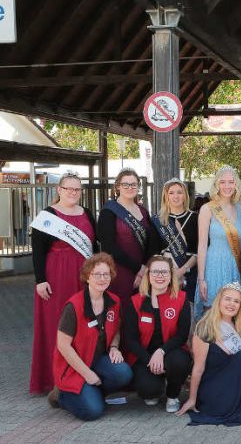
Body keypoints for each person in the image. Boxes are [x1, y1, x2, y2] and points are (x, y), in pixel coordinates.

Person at [30, 172, 97, 395]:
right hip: (56, 275)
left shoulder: (87, 213)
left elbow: (94, 246)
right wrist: (40, 280)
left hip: (84, 275)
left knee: (83, 323)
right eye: (69, 189)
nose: (73, 193)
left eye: (77, 189)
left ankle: (80, 373)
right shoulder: (47, 216)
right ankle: (53, 378)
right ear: (59, 190)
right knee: (56, 324)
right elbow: (38, 252)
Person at [49, 253, 133, 421]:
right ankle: (60, 396)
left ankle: (92, 392)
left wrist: (115, 347)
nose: (102, 278)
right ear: (87, 277)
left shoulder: (114, 301)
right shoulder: (74, 306)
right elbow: (63, 346)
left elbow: (116, 327)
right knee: (93, 412)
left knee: (124, 373)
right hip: (74, 366)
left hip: (97, 360)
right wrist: (87, 374)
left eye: (106, 274)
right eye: (97, 274)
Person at [176, 283, 241, 426]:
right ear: (219, 300)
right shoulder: (205, 327)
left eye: (236, 301)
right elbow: (198, 368)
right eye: (228, 299)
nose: (232, 304)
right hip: (214, 389)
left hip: (235, 387)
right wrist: (192, 399)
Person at [123, 256, 192, 412]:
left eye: (164, 272)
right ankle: (156, 385)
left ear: (171, 276)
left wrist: (161, 352)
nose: (159, 276)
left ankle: (173, 395)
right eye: (155, 272)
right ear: (148, 275)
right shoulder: (136, 301)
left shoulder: (181, 299)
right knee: (148, 390)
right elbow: (131, 340)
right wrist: (150, 360)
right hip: (144, 356)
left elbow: (182, 335)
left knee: (179, 362)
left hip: (171, 351)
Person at [97, 168, 158, 302]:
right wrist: (138, 268)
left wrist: (145, 268)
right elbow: (108, 247)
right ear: (118, 186)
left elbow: (152, 242)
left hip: (143, 272)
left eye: (133, 184)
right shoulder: (108, 211)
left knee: (141, 309)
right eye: (125, 184)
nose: (130, 187)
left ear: (138, 187)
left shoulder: (143, 211)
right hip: (119, 271)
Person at [195, 166, 241, 320]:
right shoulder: (207, 209)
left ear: (236, 185)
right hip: (213, 266)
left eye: (231, 182)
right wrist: (201, 278)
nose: (227, 186)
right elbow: (202, 245)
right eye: (223, 182)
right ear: (216, 184)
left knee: (233, 314)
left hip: (234, 268)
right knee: (211, 314)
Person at [153, 178, 198, 302]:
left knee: (188, 310)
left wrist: (181, 271)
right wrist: (170, 273)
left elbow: (198, 250)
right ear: (166, 196)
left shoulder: (195, 218)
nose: (176, 196)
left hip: (189, 272)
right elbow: (154, 251)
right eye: (171, 193)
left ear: (185, 195)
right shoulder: (157, 220)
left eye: (179, 192)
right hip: (164, 272)